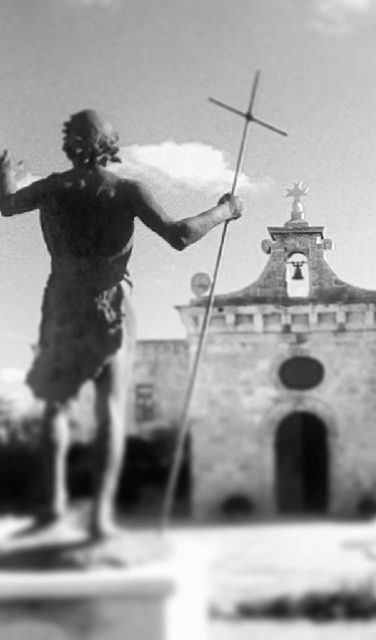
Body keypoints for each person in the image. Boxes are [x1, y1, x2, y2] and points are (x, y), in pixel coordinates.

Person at [0, 109, 242, 540]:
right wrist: (225, 210)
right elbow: (180, 234)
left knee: (56, 406)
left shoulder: (53, 188)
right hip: (111, 301)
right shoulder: (127, 190)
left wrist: (7, 177)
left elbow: (6, 205)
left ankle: (54, 505)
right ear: (110, 147)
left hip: (62, 302)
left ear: (69, 145)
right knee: (109, 410)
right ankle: (99, 520)